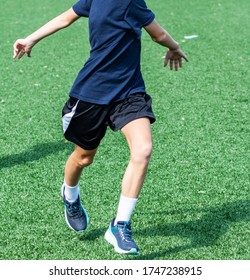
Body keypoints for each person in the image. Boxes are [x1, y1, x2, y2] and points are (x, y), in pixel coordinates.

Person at [13, 0, 188, 255]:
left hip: (129, 92)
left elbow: (65, 18)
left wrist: (30, 39)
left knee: (143, 150)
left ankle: (120, 225)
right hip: (91, 93)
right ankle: (70, 193)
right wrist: (174, 46)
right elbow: (158, 34)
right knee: (84, 157)